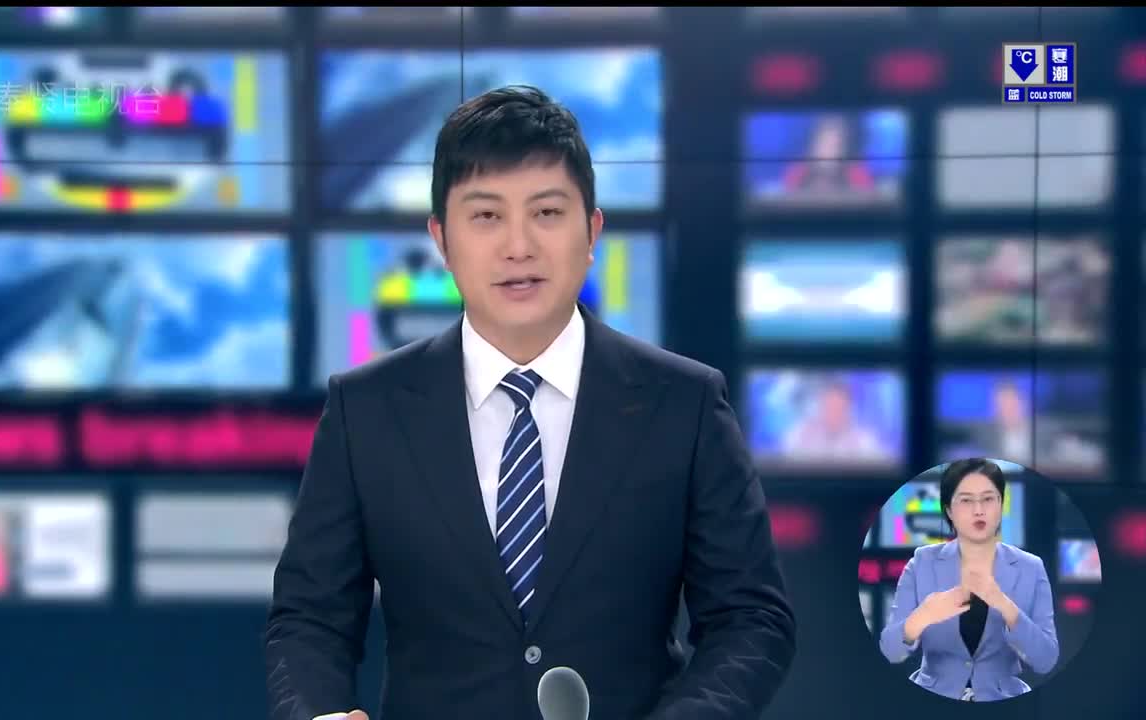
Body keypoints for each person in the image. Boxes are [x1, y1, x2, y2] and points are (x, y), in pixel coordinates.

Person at [263, 85, 797, 720]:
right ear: (441, 239)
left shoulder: (684, 405)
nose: (518, 246)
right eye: (486, 216)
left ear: (591, 231)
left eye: (546, 212)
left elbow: (750, 618)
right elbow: (310, 618)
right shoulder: (366, 411)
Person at [879, 458, 1059, 702]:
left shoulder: (1030, 567)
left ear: (1001, 505)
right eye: (966, 500)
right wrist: (924, 616)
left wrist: (1004, 604)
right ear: (949, 510)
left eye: (988, 499)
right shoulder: (922, 563)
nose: (978, 510)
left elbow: (1046, 659)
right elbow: (889, 650)